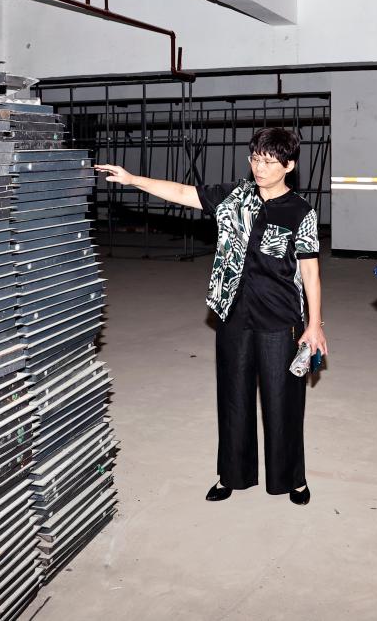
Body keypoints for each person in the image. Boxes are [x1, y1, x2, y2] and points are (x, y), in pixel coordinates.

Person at [95, 127, 327, 506]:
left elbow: (310, 272)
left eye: (269, 162)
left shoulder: (300, 211)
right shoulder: (233, 196)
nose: (260, 168)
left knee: (283, 400)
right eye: (255, 159)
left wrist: (314, 325)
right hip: (233, 313)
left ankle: (292, 478)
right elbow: (182, 193)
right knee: (233, 397)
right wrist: (133, 179)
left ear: (289, 165)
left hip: (279, 317)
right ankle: (231, 474)